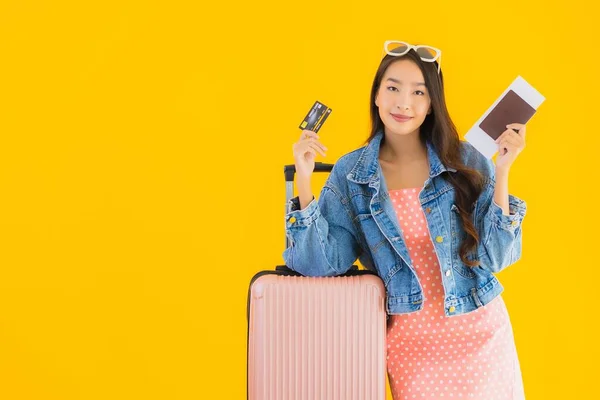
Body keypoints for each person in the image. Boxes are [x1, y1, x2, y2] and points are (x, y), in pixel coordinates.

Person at [283, 40, 527, 399]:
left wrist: (502, 171)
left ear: (431, 105)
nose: (403, 103)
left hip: (480, 336)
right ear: (377, 96)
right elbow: (318, 264)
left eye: (418, 92)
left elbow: (497, 258)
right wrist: (304, 182)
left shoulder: (466, 160)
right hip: (410, 349)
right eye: (393, 88)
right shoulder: (352, 174)